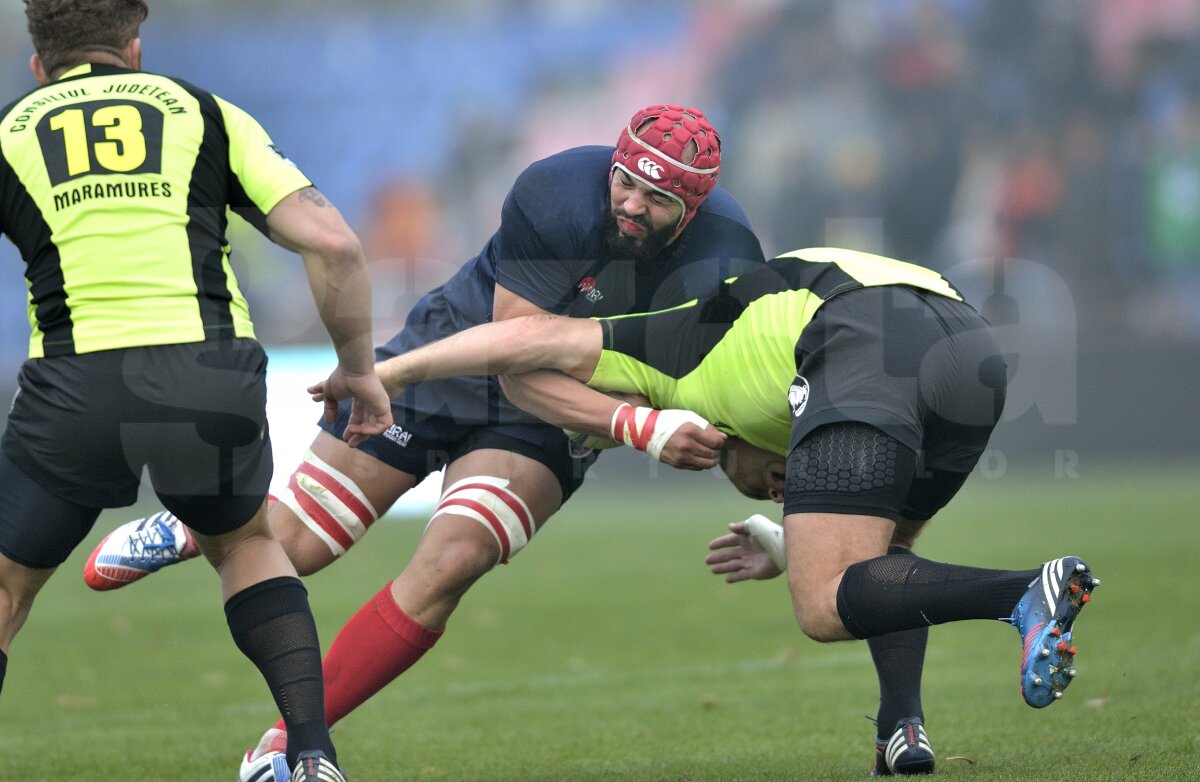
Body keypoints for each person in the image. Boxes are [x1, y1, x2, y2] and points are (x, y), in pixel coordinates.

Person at [85, 103, 766, 779]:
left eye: (657, 198)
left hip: (551, 421)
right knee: (295, 548)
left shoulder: (728, 261)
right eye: (625, 182)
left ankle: (285, 747)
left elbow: (714, 382)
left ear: (695, 207)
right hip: (457, 356)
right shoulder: (556, 190)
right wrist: (641, 427)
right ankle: (195, 526)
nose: (631, 205)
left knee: (452, 562)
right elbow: (516, 363)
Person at [312, 246, 1099, 776]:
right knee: (888, 551)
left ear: (726, 443)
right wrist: (797, 543)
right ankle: (903, 730)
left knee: (824, 606)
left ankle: (1023, 592)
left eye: (767, 486)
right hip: (970, 345)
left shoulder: (653, 348)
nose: (778, 487)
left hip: (860, 333)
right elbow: (877, 558)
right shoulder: (749, 360)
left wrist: (385, 370)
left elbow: (508, 342)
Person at [0, 2, 392, 780]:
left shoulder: (12, 127)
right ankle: (311, 757)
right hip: (207, 377)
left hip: (77, 384)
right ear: (134, 49)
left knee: (8, 586)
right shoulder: (204, 111)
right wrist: (357, 367)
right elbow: (335, 243)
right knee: (246, 546)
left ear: (39, 63)